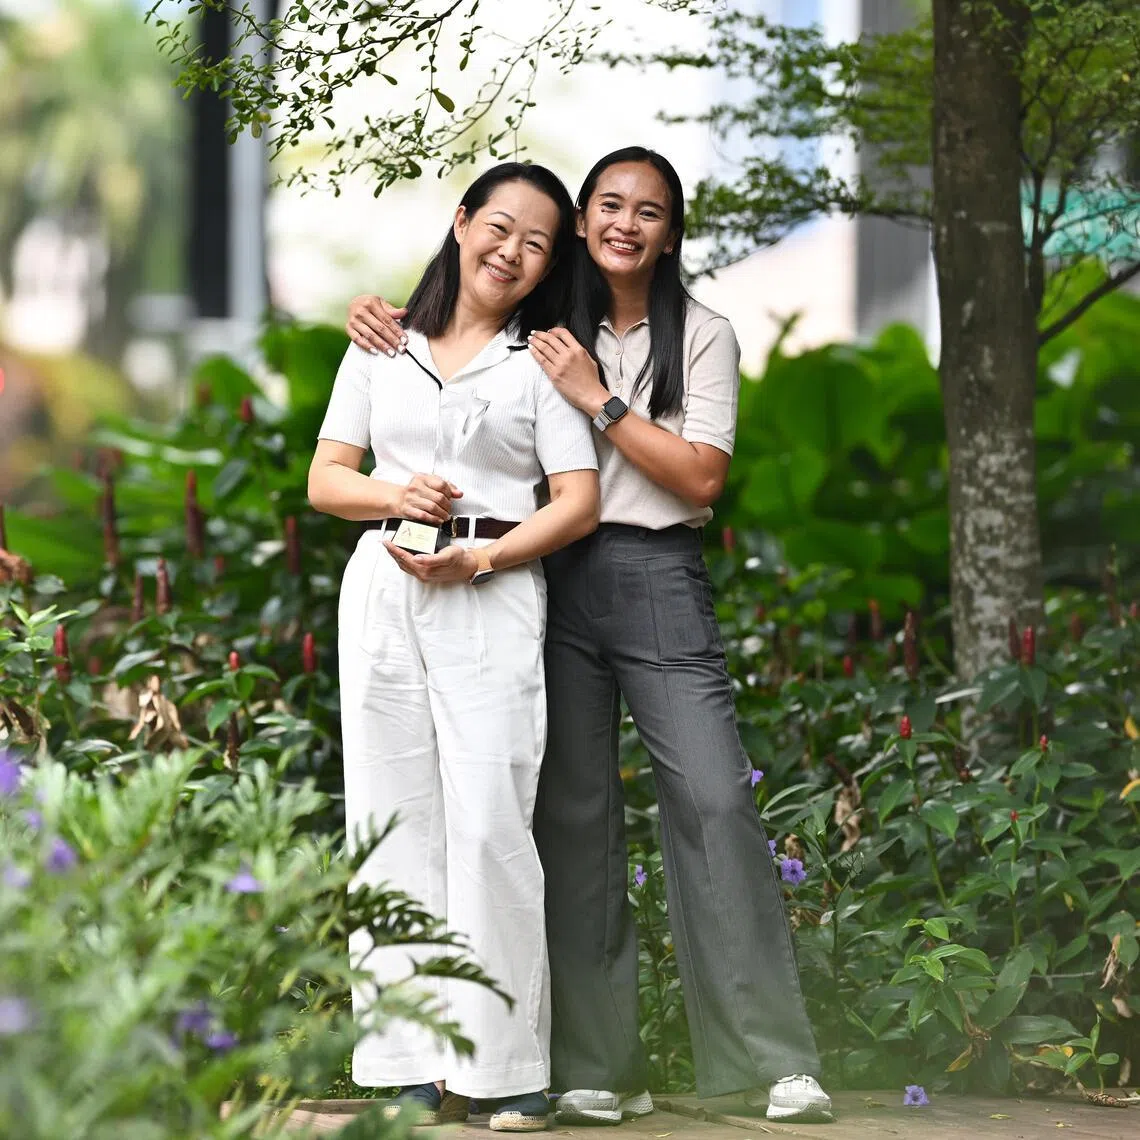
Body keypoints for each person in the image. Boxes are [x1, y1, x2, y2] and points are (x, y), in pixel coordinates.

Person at [344, 147, 834, 1126]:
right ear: (581, 222)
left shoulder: (700, 333)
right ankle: (599, 1064)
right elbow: (442, 345)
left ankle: (774, 1057)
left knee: (710, 797)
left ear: (671, 230)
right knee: (566, 817)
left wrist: (597, 399)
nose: (625, 223)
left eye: (648, 211)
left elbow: (699, 478)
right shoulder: (538, 312)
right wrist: (372, 316)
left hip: (653, 574)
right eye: (608, 204)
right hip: (549, 575)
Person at [310, 161, 601, 1133]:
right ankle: (404, 1061)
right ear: (463, 220)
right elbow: (327, 481)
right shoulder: (381, 345)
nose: (512, 252)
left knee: (487, 819)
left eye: (538, 244)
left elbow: (579, 501)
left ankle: (507, 1068)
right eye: (500, 227)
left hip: (491, 591)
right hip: (383, 592)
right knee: (393, 823)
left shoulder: (540, 364)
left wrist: (486, 558)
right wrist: (398, 497)